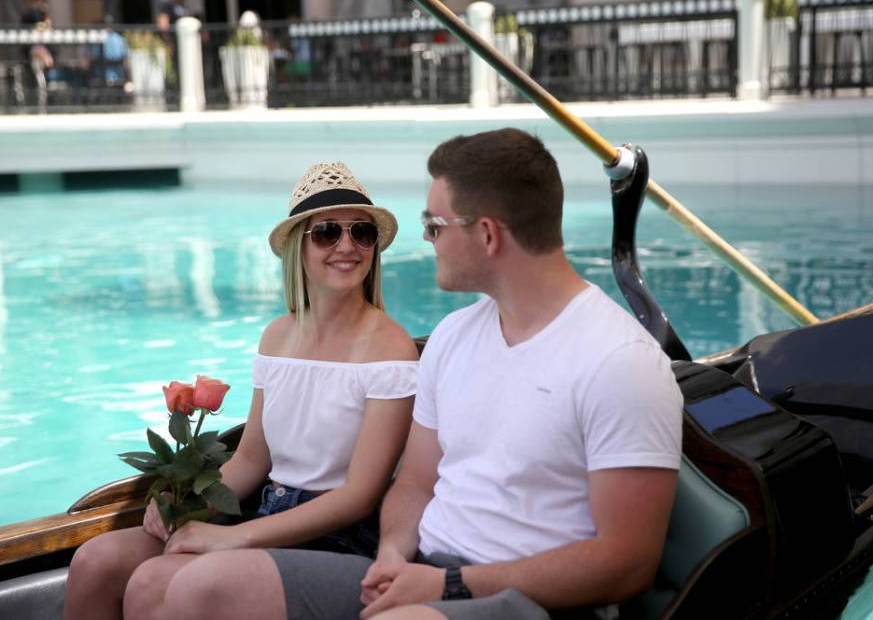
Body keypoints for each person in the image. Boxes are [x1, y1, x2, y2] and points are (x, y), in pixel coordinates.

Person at [133, 127, 684, 620]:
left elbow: (626, 564)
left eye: (434, 225)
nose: (426, 240)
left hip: (524, 599)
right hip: (424, 569)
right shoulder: (453, 338)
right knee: (201, 590)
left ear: (488, 235)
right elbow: (416, 482)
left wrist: (447, 584)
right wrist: (395, 555)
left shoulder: (621, 364)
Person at [63, 162, 419, 620]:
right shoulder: (277, 336)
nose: (347, 246)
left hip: (339, 534)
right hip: (267, 510)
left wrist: (232, 537)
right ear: (299, 247)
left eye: (362, 233)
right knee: (95, 561)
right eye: (328, 232)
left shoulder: (390, 347)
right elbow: (252, 459)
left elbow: (359, 496)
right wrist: (185, 505)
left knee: (155, 580)